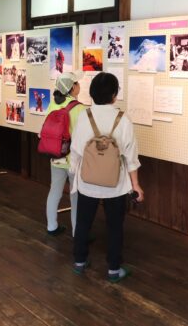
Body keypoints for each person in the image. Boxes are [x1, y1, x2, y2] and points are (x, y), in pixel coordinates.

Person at [69, 72, 143, 283]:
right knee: (115, 226)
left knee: (83, 222)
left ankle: (79, 261)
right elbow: (131, 157)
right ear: (114, 95)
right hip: (115, 184)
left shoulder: (85, 116)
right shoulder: (123, 119)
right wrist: (136, 185)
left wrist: (74, 174)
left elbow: (76, 151)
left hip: (87, 181)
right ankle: (113, 269)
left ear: (92, 93)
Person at [45, 71, 86, 236]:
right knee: (75, 196)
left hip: (56, 155)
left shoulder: (52, 104)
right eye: (77, 83)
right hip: (74, 159)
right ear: (73, 87)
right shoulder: (79, 108)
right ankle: (77, 232)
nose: (79, 85)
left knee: (54, 190)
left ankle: (51, 226)